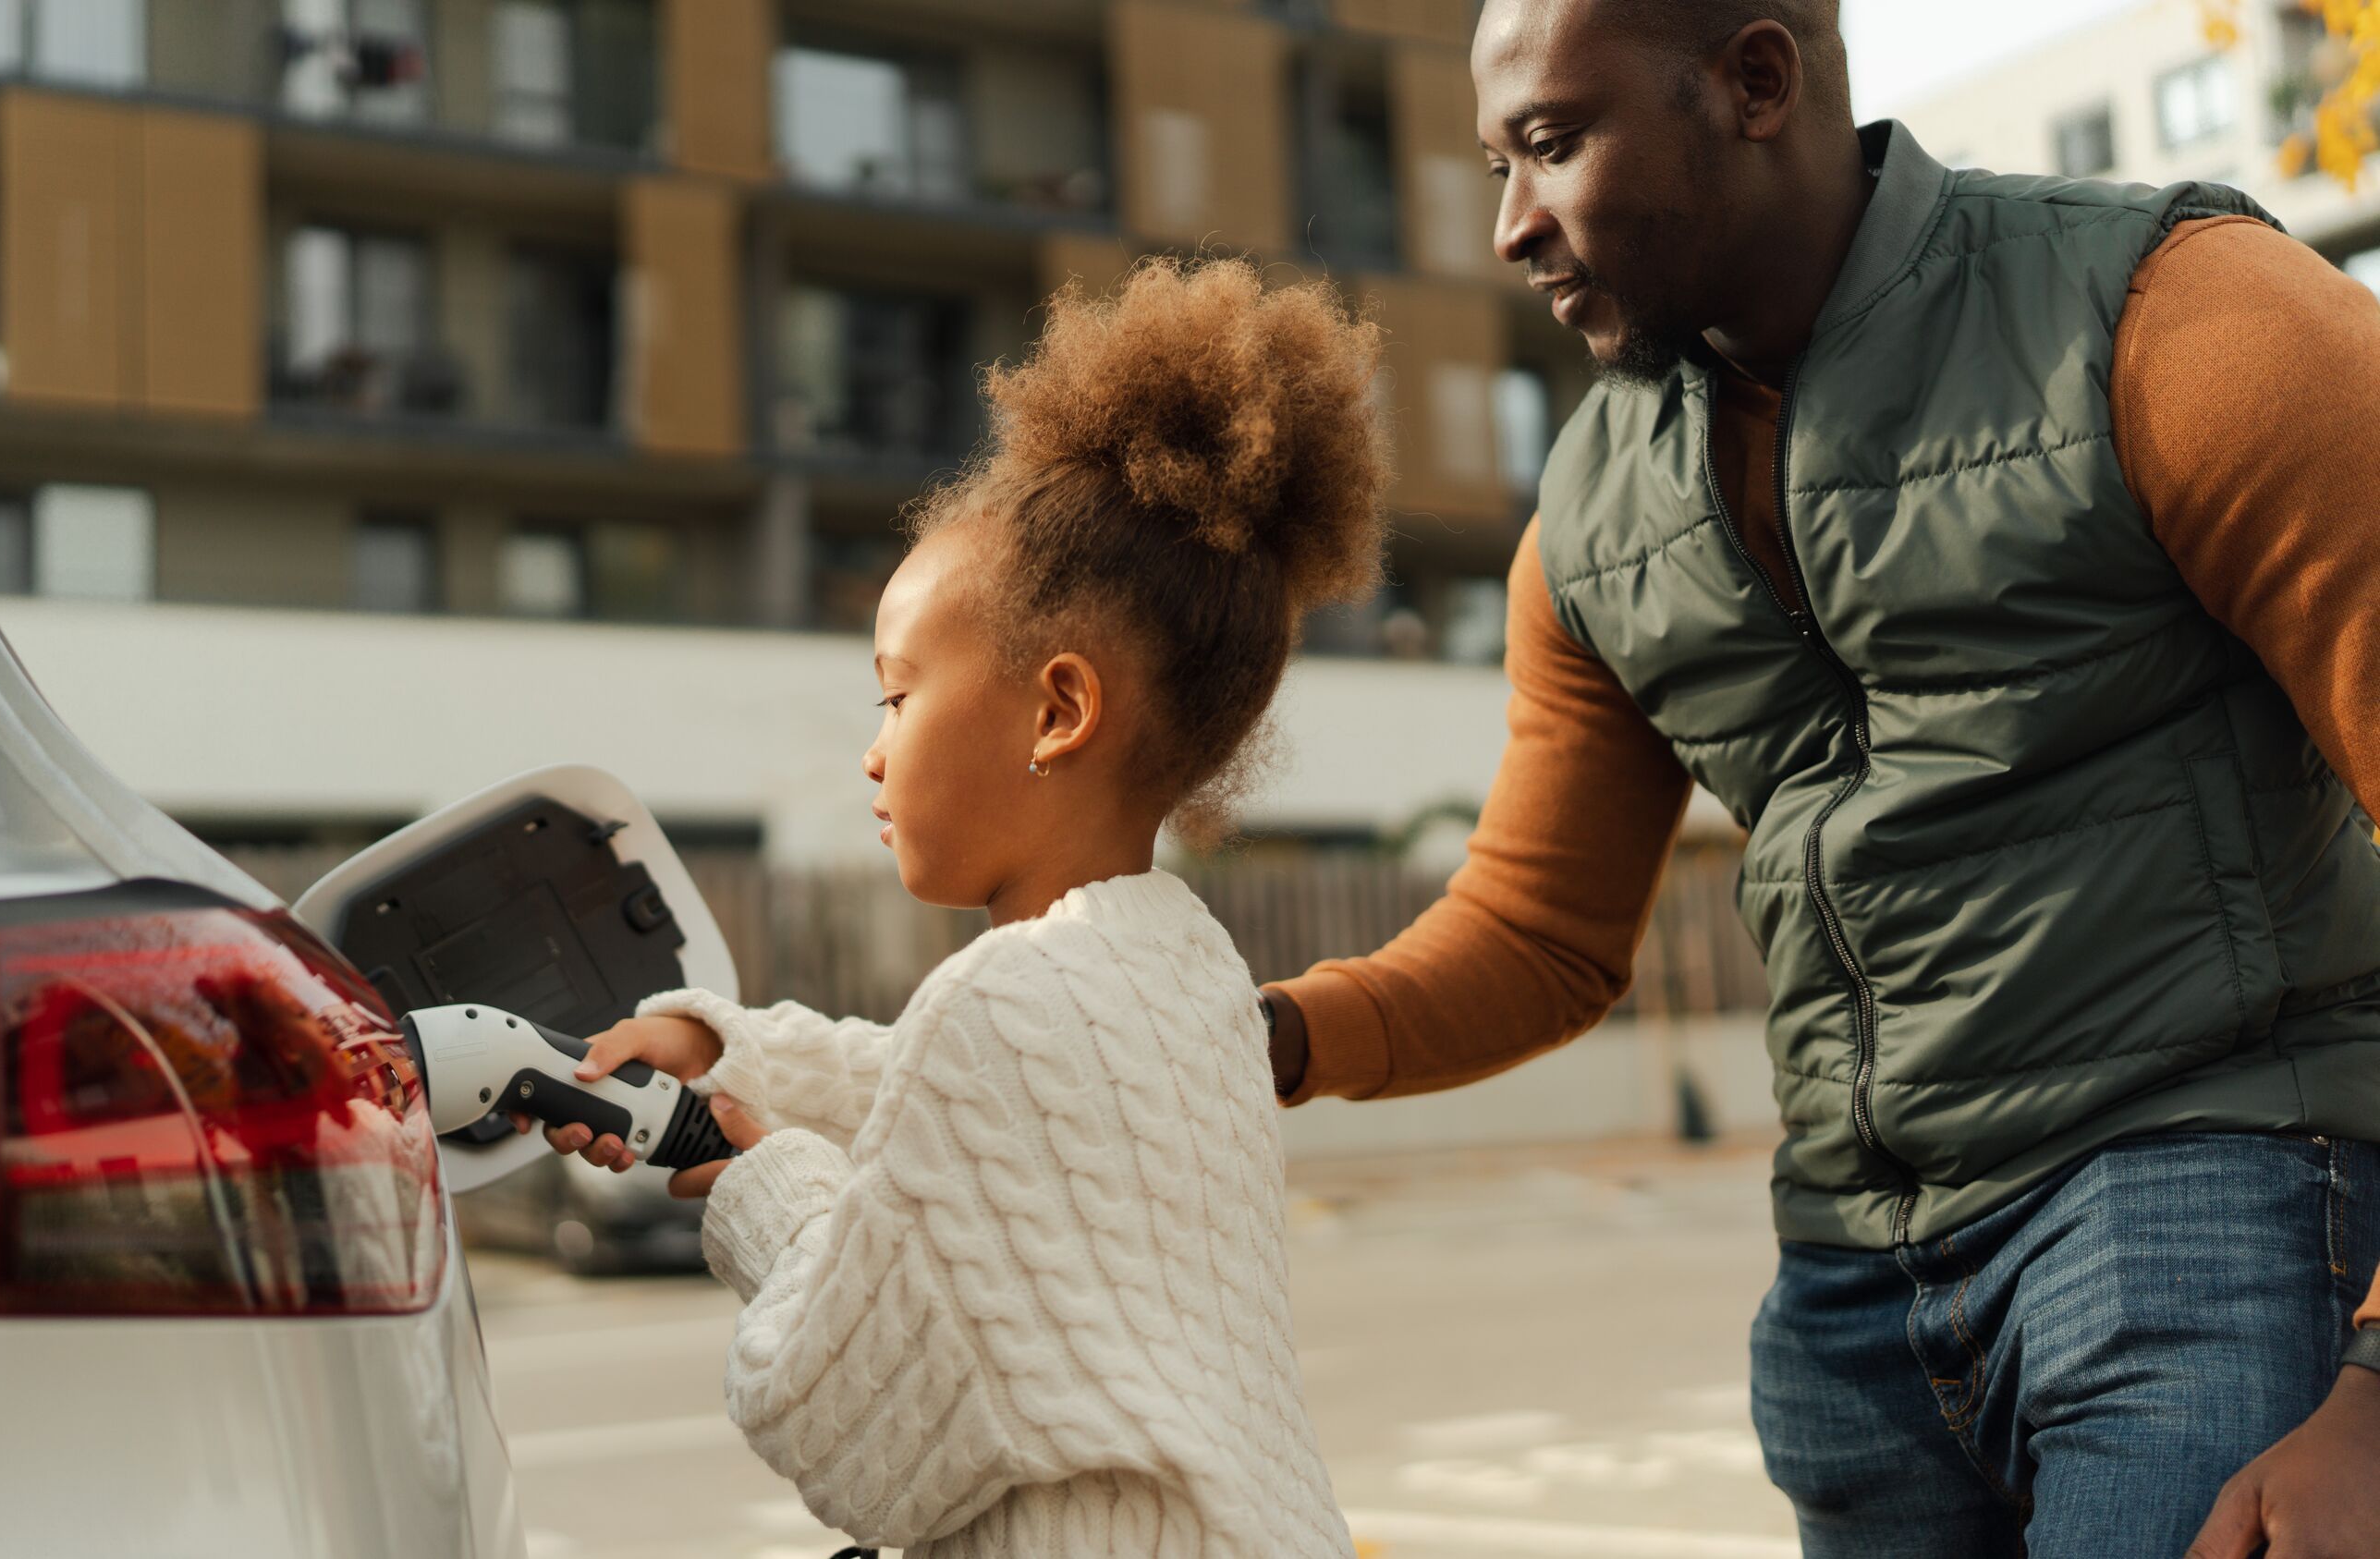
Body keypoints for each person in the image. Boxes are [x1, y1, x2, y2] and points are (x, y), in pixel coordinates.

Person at [1251, 2, 2380, 1554]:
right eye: (1497, 161)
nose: (1511, 224)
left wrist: (2377, 1387)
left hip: (2195, 1204)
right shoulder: (1589, 519)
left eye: (1555, 144)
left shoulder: (2184, 323)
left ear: (1755, 83)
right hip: (1851, 1305)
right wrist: (1267, 1039)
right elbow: (1536, 936)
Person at [546, 259, 1372, 1558]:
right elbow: (965, 1104)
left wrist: (768, 1182)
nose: (873, 753)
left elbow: (840, 1414)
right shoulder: (1181, 973)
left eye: (896, 696)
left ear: (1058, 711)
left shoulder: (1008, 1000)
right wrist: (730, 1053)